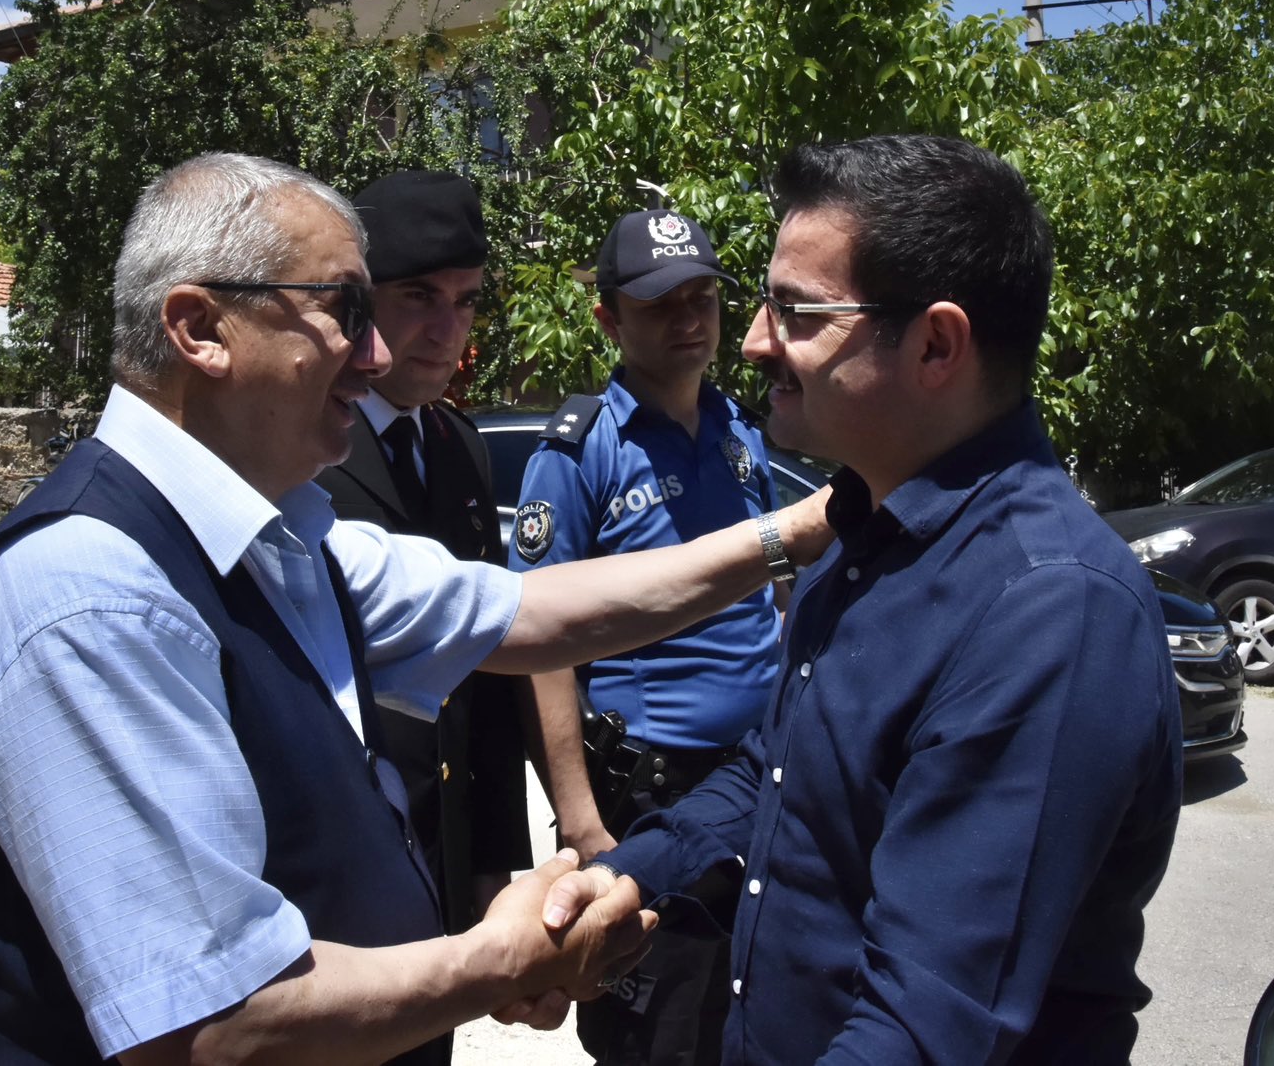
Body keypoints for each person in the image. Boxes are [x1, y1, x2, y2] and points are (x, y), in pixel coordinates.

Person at [0, 153, 833, 1066]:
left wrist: (803, 528)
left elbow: (536, 613)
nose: (379, 355)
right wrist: (497, 960)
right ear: (201, 328)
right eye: (347, 312)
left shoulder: (286, 543)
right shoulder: (89, 598)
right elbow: (214, 1024)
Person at [545, 134, 1183, 1066]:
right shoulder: (862, 534)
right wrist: (633, 872)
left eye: (798, 313)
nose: (756, 340)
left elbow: (928, 1026)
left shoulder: (1051, 611)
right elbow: (776, 772)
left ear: (935, 344)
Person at [511, 208, 782, 1066]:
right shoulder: (580, 450)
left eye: (703, 296)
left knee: (750, 1020)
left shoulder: (743, 435)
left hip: (758, 781)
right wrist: (582, 820)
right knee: (656, 1037)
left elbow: (768, 599)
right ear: (608, 318)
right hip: (652, 798)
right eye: (663, 301)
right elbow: (542, 647)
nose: (690, 318)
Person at [314, 169, 531, 934]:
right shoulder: (306, 448)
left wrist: (494, 861)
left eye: (466, 301)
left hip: (444, 849)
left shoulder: (456, 447)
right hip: (338, 860)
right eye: (420, 299)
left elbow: (490, 669)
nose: (449, 331)